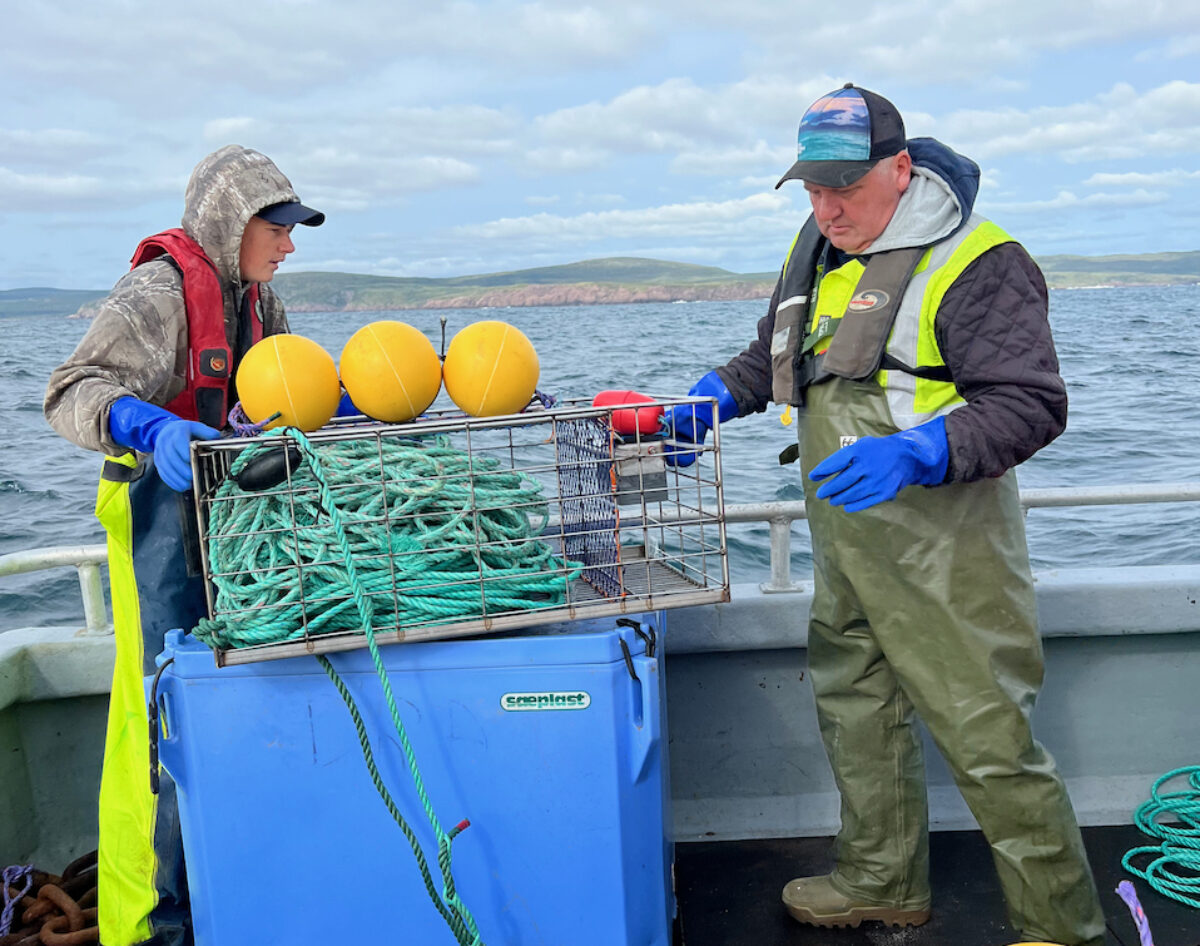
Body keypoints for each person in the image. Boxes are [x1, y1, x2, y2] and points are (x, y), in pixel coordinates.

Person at [664, 84, 1106, 946]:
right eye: (813, 191)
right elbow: (778, 354)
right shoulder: (824, 248)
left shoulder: (980, 260)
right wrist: (715, 396)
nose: (827, 210)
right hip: (849, 538)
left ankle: (1062, 927)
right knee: (855, 706)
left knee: (989, 737)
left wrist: (919, 451)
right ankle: (880, 879)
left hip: (948, 547)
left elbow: (1031, 404)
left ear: (900, 170)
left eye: (846, 190)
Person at [44, 144, 324, 946]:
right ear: (229, 221)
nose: (289, 243)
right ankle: (149, 924)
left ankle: (227, 890)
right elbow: (70, 388)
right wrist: (147, 423)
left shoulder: (262, 306)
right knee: (161, 714)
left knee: (232, 699)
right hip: (154, 518)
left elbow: (288, 393)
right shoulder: (159, 290)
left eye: (292, 228)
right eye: (277, 226)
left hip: (235, 523)